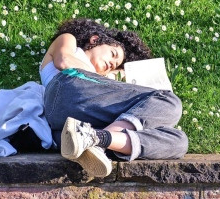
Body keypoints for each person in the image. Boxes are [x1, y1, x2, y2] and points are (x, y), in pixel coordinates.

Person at [39, 18, 188, 178]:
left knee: (178, 141)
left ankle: (97, 139)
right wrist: (106, 77)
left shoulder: (102, 84)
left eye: (116, 65)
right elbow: (63, 61)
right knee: (168, 101)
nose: (112, 64)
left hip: (66, 125)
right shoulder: (69, 40)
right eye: (113, 54)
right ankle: (98, 141)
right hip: (67, 87)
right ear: (95, 40)